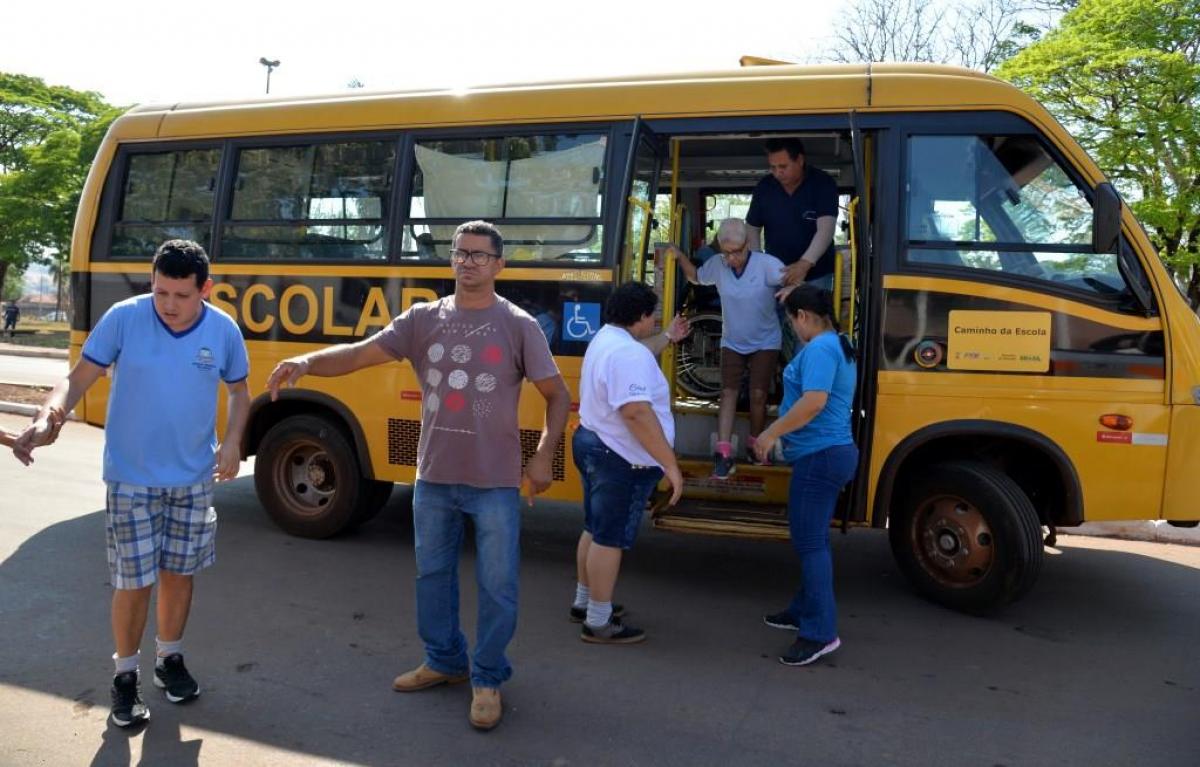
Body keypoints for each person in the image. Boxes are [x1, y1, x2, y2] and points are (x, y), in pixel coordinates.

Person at [265, 220, 570, 731]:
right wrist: (307, 361)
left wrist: (542, 457)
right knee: (432, 577)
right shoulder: (423, 319)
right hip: (433, 478)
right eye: (460, 252)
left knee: (498, 586)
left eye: (479, 255)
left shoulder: (518, 325)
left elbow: (557, 395)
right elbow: (359, 354)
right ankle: (445, 660)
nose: (468, 261)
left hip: (494, 482)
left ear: (499, 265)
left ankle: (488, 677)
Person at [14, 239, 250, 727]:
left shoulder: (223, 330)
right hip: (131, 476)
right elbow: (78, 378)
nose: (169, 305)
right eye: (161, 291)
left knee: (178, 575)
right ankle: (125, 676)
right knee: (134, 580)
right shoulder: (124, 317)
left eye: (182, 295)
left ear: (205, 289)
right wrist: (49, 415)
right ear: (152, 282)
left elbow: (239, 391)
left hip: (192, 478)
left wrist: (232, 442)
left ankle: (169, 659)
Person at [571, 282, 687, 644]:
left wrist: (667, 337)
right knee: (610, 537)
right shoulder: (628, 353)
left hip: (594, 442)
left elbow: (640, 354)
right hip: (619, 456)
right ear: (641, 316)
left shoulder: (607, 339)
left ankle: (585, 602)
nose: (655, 322)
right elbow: (636, 412)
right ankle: (598, 621)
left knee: (594, 527)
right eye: (653, 316)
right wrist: (670, 464)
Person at [753, 285, 857, 667]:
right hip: (827, 454)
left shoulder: (820, 349)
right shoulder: (838, 343)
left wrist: (770, 432)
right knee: (812, 540)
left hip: (821, 456)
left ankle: (820, 633)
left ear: (802, 316)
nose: (793, 329)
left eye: (791, 322)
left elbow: (814, 402)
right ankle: (802, 610)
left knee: (810, 543)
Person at [671, 219, 786, 479]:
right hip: (732, 340)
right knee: (727, 392)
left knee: (758, 394)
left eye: (737, 252)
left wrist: (789, 289)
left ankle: (756, 447)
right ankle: (723, 454)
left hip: (766, 340)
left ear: (748, 245)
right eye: (726, 253)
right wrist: (679, 256)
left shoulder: (767, 264)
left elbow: (790, 280)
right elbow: (696, 277)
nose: (731, 258)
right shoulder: (717, 264)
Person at [746, 138, 839, 289]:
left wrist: (804, 264)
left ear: (800, 160)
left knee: (812, 305)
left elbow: (826, 230)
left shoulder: (823, 183)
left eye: (783, 166)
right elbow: (752, 227)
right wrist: (758, 260)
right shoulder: (764, 187)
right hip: (776, 275)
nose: (778, 172)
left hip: (816, 275)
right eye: (773, 167)